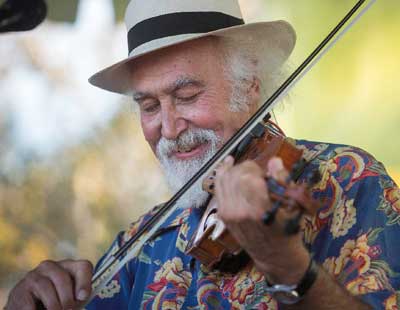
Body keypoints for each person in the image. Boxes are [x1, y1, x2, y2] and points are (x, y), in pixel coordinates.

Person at [6, 1, 400, 309]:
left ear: (248, 86)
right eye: (149, 106)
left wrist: (289, 269)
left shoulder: (346, 179)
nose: (170, 127)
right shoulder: (140, 243)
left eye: (187, 96)